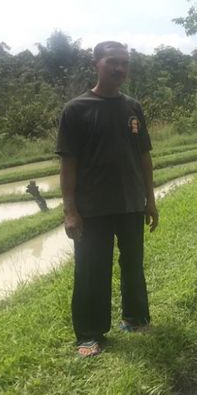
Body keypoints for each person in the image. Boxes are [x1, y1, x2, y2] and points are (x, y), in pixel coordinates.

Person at [56, 41, 159, 357]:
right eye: (112, 62)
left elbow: (144, 156)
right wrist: (71, 211)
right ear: (96, 64)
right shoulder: (77, 109)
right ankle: (89, 334)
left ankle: (135, 318)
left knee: (133, 265)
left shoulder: (132, 107)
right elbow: (68, 164)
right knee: (91, 271)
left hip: (130, 203)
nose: (119, 69)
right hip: (92, 208)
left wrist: (150, 200)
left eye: (125, 63)